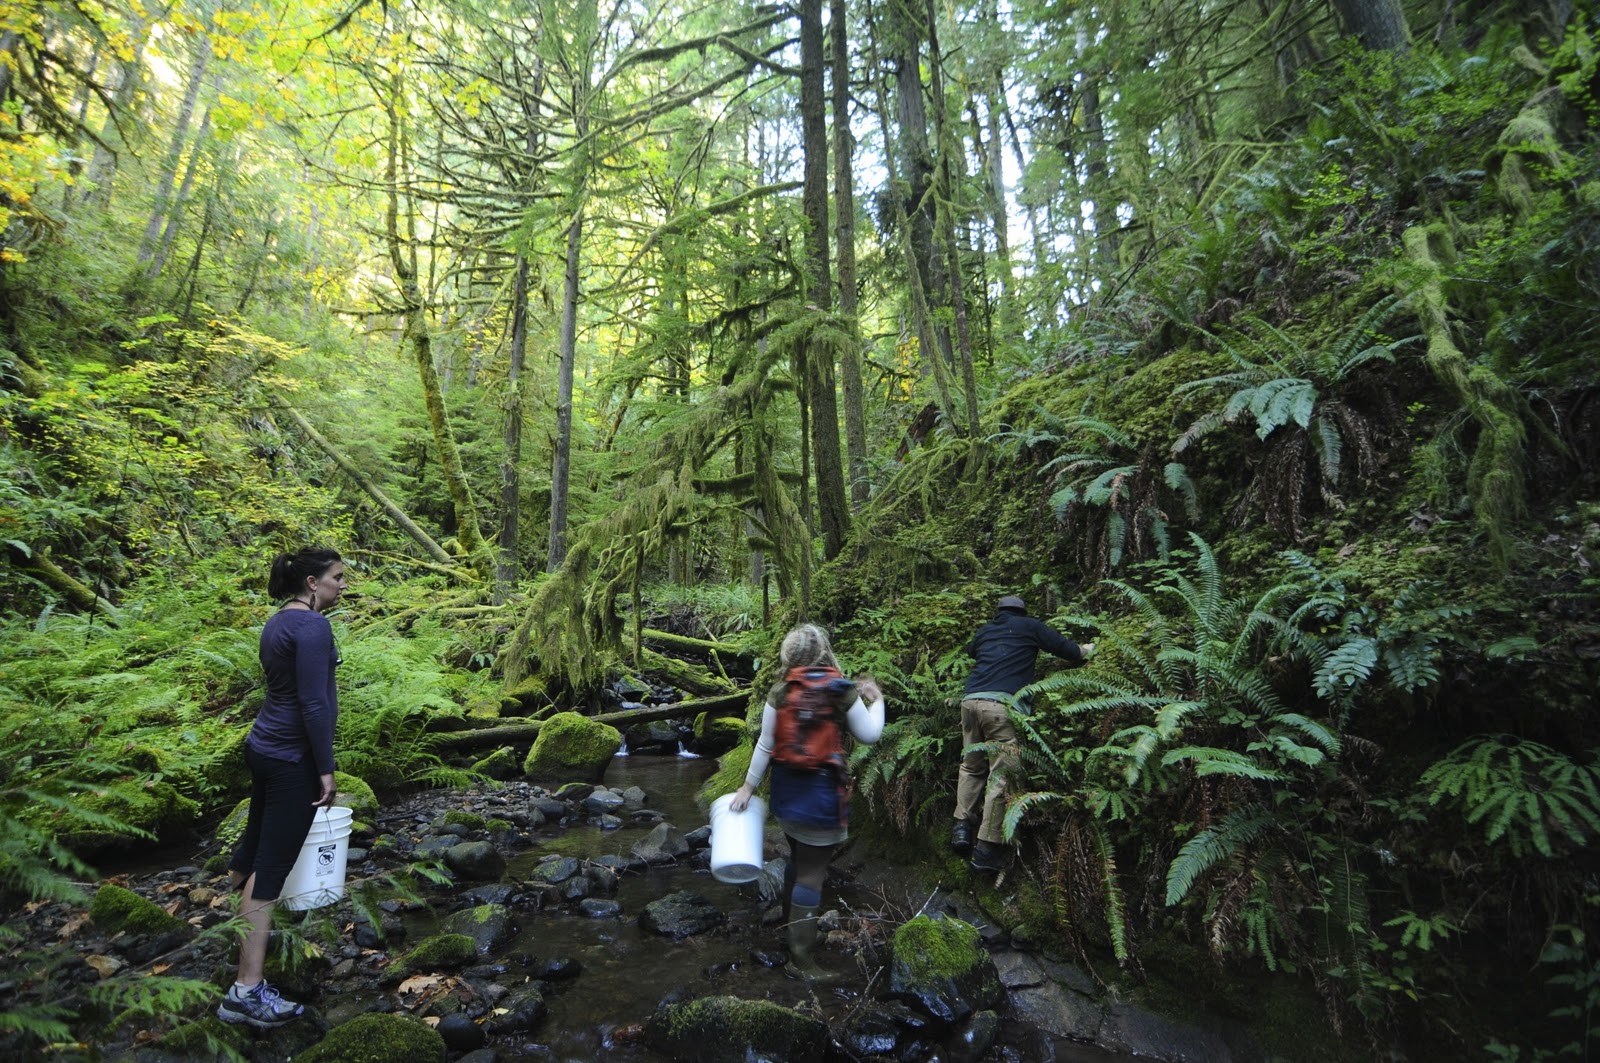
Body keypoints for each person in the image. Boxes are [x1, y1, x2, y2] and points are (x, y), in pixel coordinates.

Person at [218, 547, 347, 1028]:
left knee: (250, 855)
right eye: (337, 578)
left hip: (264, 746)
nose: (343, 585)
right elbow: (314, 704)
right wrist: (325, 768)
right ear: (312, 583)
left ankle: (232, 936)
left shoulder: (278, 622)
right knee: (270, 872)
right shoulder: (313, 627)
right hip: (293, 756)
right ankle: (245, 992)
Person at [729, 623, 885, 981]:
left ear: (789, 655)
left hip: (786, 793)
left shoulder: (782, 691)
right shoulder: (840, 689)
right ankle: (802, 962)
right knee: (812, 874)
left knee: (797, 858)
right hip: (820, 796)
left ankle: (789, 924)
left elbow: (766, 744)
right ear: (824, 651)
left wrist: (747, 788)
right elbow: (870, 735)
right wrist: (877, 701)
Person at [953, 594, 1092, 873]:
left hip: (969, 703)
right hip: (1000, 708)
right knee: (1001, 775)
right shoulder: (1031, 626)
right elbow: (1067, 650)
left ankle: (961, 828)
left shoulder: (986, 630)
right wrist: (1086, 650)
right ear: (1023, 611)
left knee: (971, 766)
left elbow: (971, 651)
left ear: (998, 611)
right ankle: (985, 850)